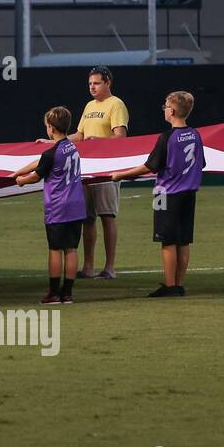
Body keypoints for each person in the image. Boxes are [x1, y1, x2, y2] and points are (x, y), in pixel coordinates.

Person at [112, 92, 205, 298]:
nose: (164, 110)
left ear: (171, 111)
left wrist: (121, 175)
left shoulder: (167, 137)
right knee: (183, 240)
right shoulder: (196, 134)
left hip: (166, 193)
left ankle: (170, 286)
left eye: (165, 107)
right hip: (189, 193)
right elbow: (201, 163)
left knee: (167, 240)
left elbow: (149, 166)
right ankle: (179, 285)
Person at [14, 107, 86, 305]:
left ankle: (53, 293)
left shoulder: (51, 153)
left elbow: (37, 175)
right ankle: (67, 293)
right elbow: (42, 162)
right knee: (71, 249)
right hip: (77, 204)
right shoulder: (72, 147)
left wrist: (21, 180)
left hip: (58, 206)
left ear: (51, 128)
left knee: (55, 249)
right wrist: (19, 171)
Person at [69, 65, 128, 279]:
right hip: (86, 169)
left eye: (96, 83)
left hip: (107, 167)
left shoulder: (116, 104)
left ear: (108, 83)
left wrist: (99, 142)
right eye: (90, 84)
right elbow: (79, 134)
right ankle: (88, 267)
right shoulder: (88, 106)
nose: (92, 87)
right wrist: (55, 140)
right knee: (87, 218)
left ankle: (109, 267)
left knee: (107, 216)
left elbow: (120, 136)